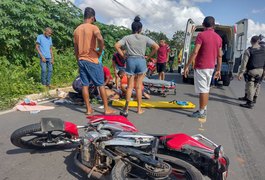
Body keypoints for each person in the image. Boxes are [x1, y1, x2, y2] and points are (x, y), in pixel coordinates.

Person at [73, 7, 116, 115]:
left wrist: (78, 60)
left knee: (85, 85)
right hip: (92, 60)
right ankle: (106, 109)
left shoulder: (77, 30)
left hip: (81, 59)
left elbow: (76, 49)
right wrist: (100, 50)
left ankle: (88, 109)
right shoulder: (94, 28)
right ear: (92, 17)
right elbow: (100, 39)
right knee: (100, 84)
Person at [114, 16, 159, 116]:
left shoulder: (127, 38)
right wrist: (148, 57)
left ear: (132, 28)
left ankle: (126, 108)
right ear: (140, 29)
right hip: (141, 61)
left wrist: (123, 56)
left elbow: (116, 45)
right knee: (138, 87)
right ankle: (139, 109)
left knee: (130, 87)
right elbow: (156, 47)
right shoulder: (145, 38)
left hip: (130, 61)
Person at [184, 16, 222, 118]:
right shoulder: (218, 38)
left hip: (201, 66)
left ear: (203, 24)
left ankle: (201, 112)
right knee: (206, 89)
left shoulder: (201, 35)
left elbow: (195, 51)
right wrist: (218, 69)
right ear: (213, 25)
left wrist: (186, 66)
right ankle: (204, 109)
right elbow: (219, 55)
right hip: (211, 67)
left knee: (203, 90)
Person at [237, 35, 265, 108]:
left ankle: (249, 102)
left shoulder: (249, 50)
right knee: (256, 85)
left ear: (251, 41)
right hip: (261, 70)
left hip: (252, 70)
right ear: (258, 41)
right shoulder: (263, 49)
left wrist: (241, 73)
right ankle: (252, 99)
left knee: (250, 86)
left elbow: (244, 63)